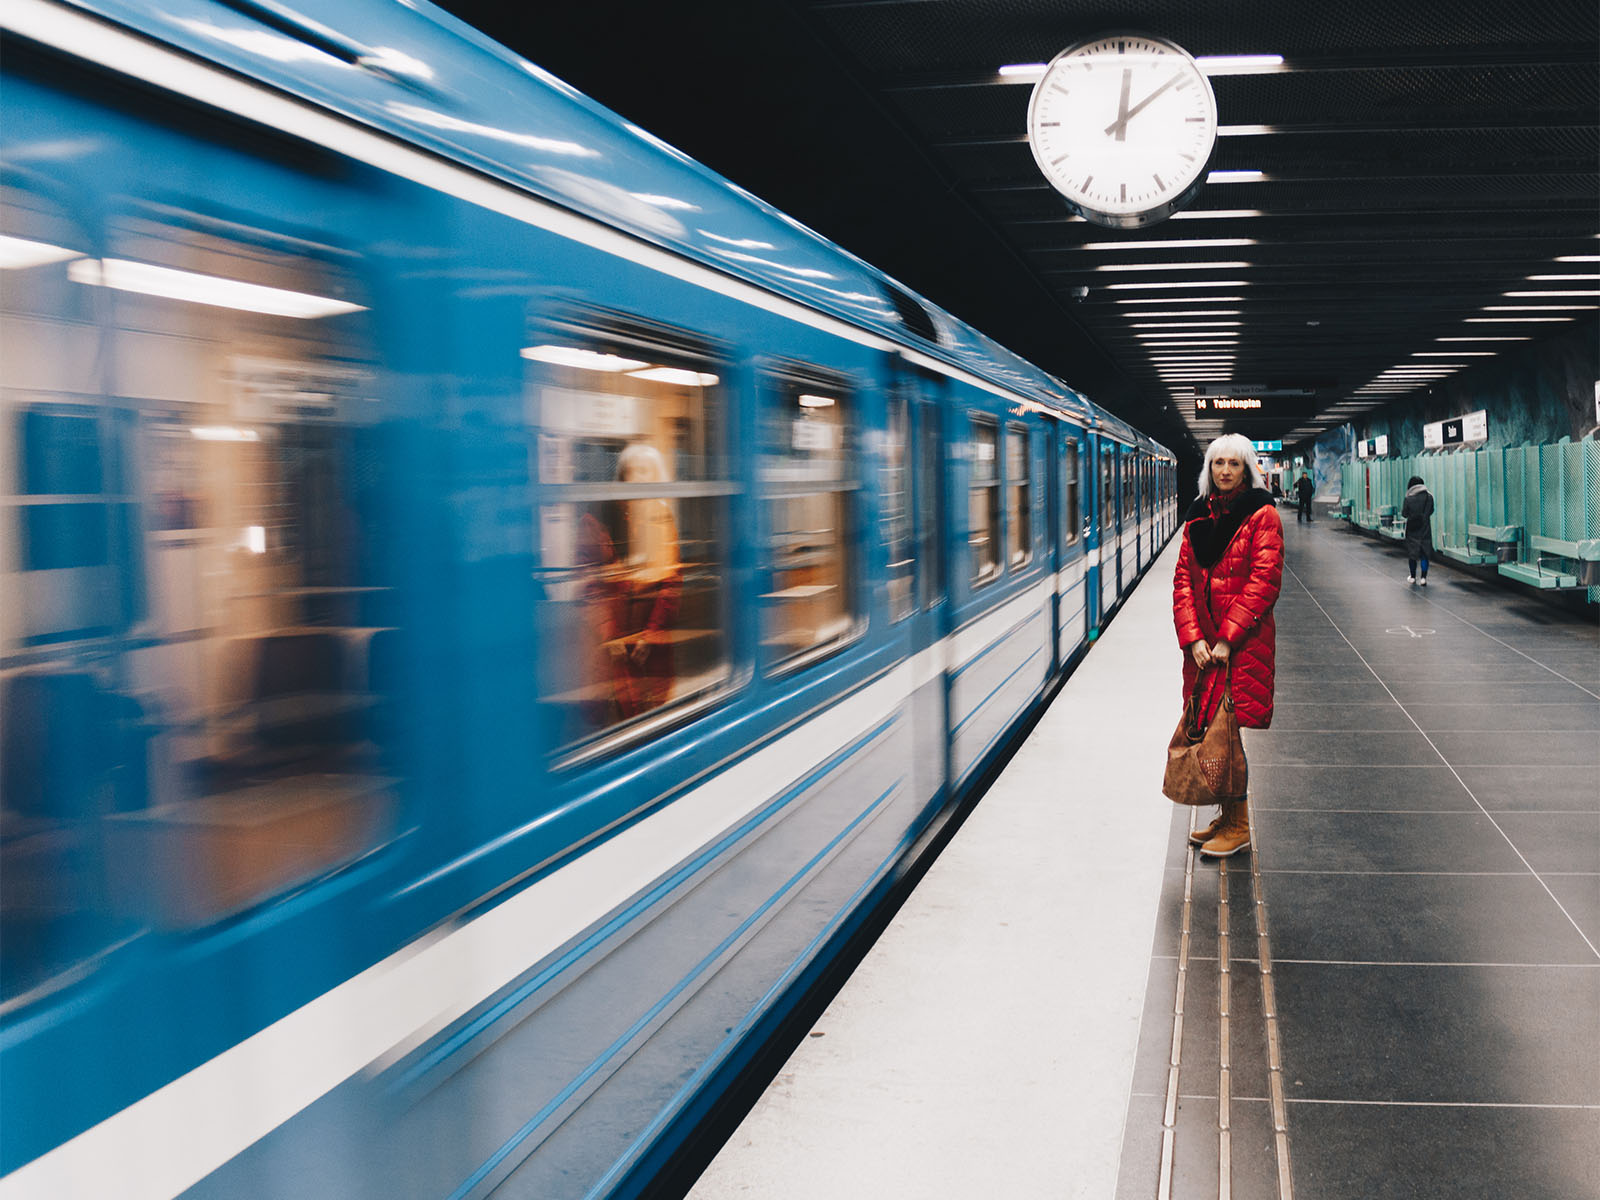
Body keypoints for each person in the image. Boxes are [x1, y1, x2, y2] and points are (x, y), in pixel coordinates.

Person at [1172, 434, 1285, 858]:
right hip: (1203, 649)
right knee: (1216, 732)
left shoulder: (1262, 515)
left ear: (1246, 469)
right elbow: (1182, 581)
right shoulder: (1198, 515)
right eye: (1217, 463)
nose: (1224, 471)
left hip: (1241, 646)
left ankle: (1238, 827)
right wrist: (1193, 637)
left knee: (1229, 734)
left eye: (1233, 464)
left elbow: (1264, 582)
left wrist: (1225, 638)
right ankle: (1226, 815)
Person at [1401, 474, 1434, 586]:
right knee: (1424, 553)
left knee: (1412, 553)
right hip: (1425, 528)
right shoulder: (1429, 497)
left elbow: (1404, 514)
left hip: (1412, 529)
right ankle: (1423, 578)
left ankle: (1413, 577)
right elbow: (1431, 510)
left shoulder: (1408, 498)